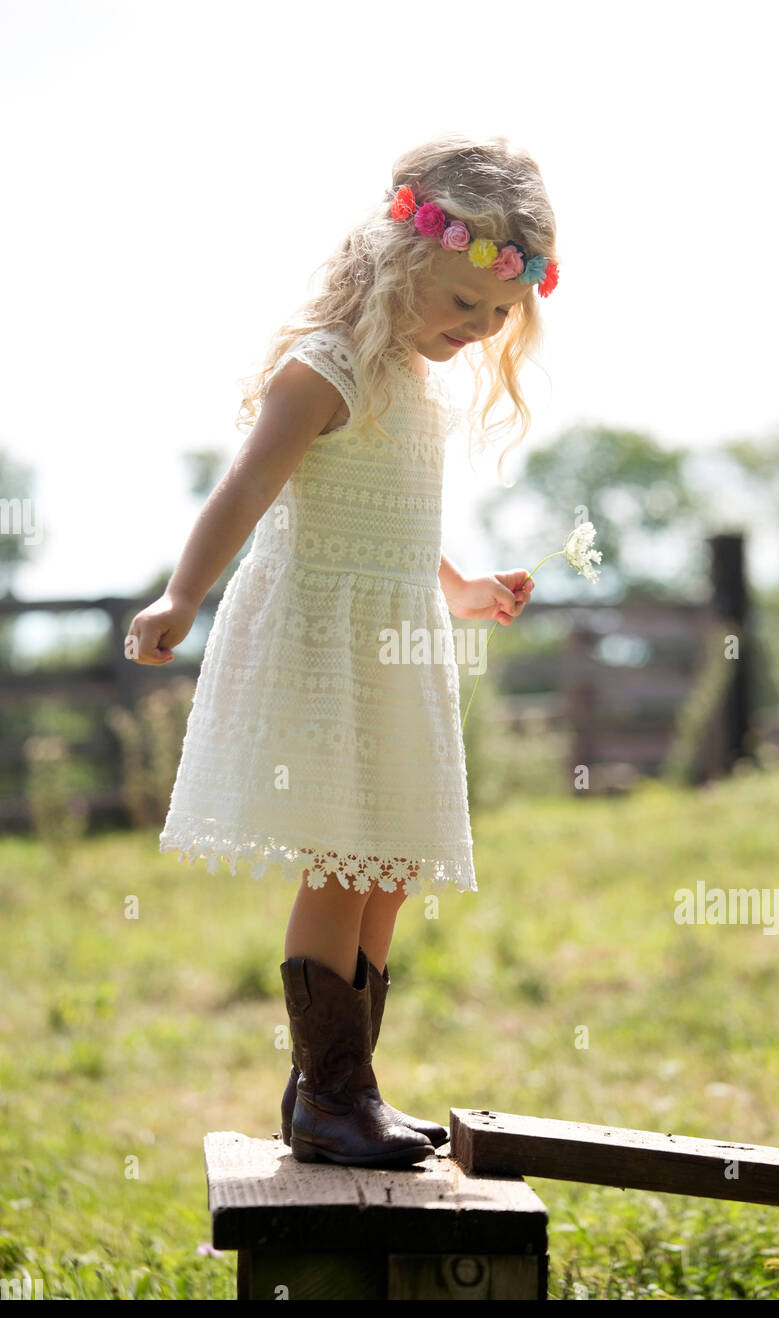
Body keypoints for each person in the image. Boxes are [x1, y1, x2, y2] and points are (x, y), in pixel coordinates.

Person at [126, 132, 560, 1169]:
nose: (477, 327)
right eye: (461, 303)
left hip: (395, 646)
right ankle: (331, 1095)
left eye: (495, 315)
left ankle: (339, 1083)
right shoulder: (320, 366)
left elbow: (402, 521)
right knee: (340, 854)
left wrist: (459, 587)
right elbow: (244, 491)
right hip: (324, 646)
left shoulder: (415, 382)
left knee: (391, 862)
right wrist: (181, 593)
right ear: (401, 261)